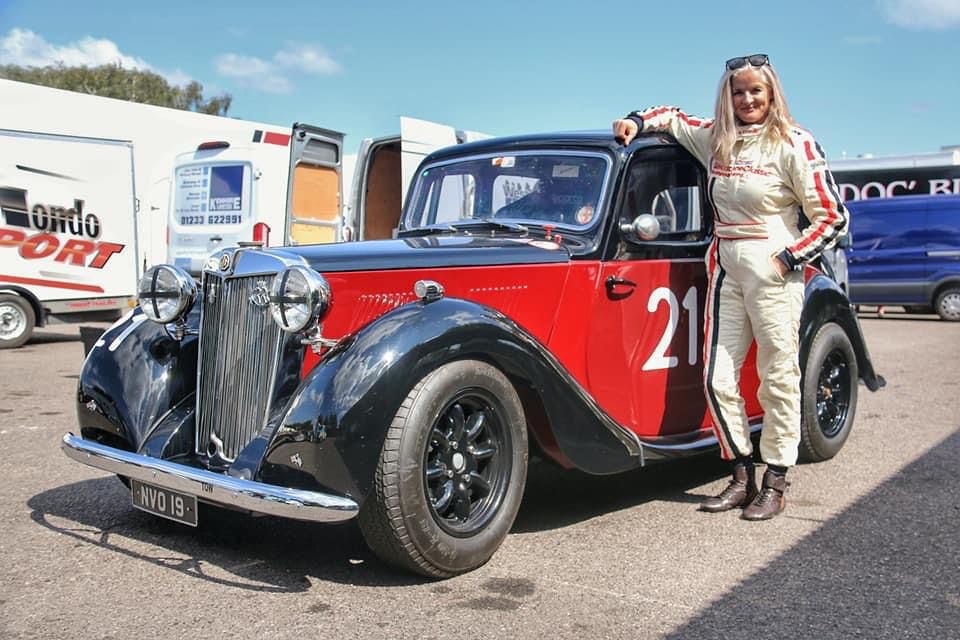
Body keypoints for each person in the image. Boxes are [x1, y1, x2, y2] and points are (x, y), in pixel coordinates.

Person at [612, 54, 847, 520]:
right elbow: (674, 120)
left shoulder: (795, 143)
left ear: (772, 92)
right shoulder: (716, 139)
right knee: (718, 376)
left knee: (779, 377)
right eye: (738, 91)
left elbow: (833, 217)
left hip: (774, 266)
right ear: (728, 95)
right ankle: (740, 473)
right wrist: (635, 121)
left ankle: (776, 479)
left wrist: (789, 258)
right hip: (724, 265)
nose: (747, 99)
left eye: (755, 90)